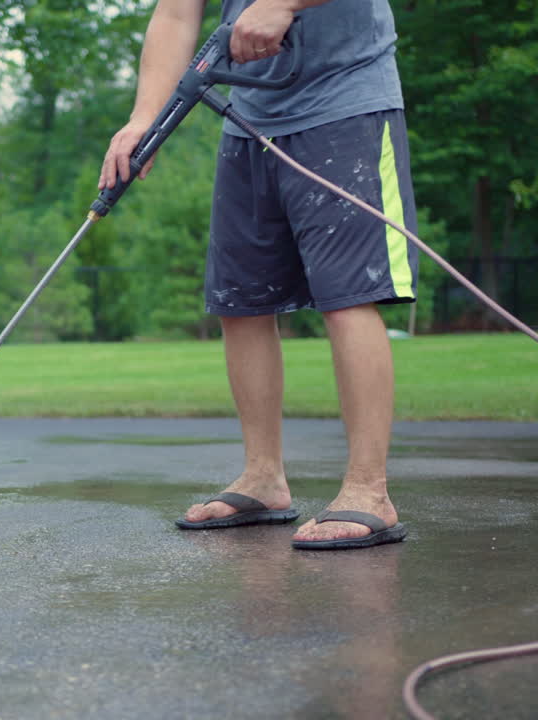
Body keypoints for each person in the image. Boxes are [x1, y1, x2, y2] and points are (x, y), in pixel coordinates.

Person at [99, 0, 417, 550]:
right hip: (251, 120)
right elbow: (177, 13)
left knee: (347, 298)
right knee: (240, 301)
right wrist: (143, 115)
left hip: (345, 107)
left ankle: (369, 491)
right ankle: (263, 477)